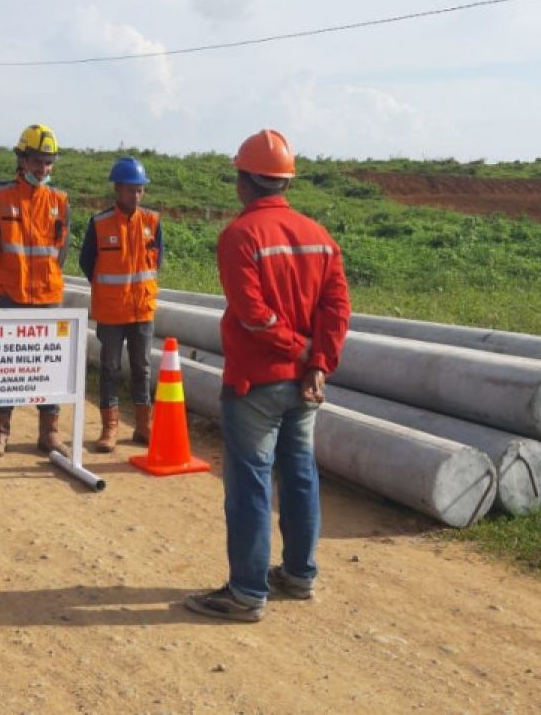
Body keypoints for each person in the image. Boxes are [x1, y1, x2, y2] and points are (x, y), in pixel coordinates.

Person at [185, 129, 350, 622]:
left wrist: (302, 353)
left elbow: (253, 314)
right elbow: (337, 308)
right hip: (305, 386)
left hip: (256, 382)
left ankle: (245, 593)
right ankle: (299, 576)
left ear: (243, 181)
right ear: (283, 182)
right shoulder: (319, 236)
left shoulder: (240, 236)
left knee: (251, 485)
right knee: (299, 475)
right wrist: (319, 362)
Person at [0, 124, 71, 458]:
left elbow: (60, 252)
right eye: (37, 161)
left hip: (48, 297)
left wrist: (46, 277)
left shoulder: (60, 201)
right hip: (11, 296)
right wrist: (10, 277)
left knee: (48, 367)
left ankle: (49, 433)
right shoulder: (0, 198)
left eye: (48, 162)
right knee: (8, 367)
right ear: (21, 160)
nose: (43, 168)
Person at [78, 156, 163, 452]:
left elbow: (157, 262)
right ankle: (110, 428)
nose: (136, 195)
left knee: (142, 368)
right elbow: (86, 263)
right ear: (117, 189)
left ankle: (143, 426)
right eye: (130, 190)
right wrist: (109, 290)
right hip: (112, 312)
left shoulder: (152, 222)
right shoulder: (100, 223)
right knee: (109, 368)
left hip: (142, 310)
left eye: (140, 190)